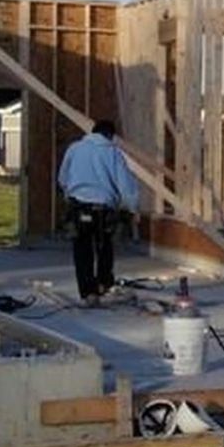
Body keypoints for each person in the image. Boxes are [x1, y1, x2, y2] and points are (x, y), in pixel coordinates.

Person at [57, 119, 139, 306]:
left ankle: (88, 293)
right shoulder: (112, 153)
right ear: (110, 136)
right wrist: (132, 208)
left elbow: (63, 177)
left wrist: (69, 193)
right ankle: (103, 285)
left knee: (82, 250)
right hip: (103, 209)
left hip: (79, 206)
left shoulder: (75, 148)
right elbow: (126, 185)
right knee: (104, 247)